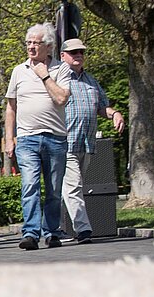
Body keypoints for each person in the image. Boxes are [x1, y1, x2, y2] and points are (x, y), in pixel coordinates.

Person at [4, 23, 72, 251]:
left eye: (36, 43)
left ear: (49, 46)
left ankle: (52, 232)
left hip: (55, 138)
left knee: (53, 189)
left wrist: (44, 76)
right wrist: (8, 138)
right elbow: (11, 107)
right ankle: (31, 233)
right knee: (30, 185)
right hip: (27, 139)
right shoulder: (18, 71)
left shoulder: (61, 70)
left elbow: (62, 98)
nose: (31, 47)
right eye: (28, 42)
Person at [59, 38, 125, 244]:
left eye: (81, 52)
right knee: (74, 186)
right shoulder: (58, 80)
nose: (78, 55)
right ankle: (83, 229)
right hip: (65, 142)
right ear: (63, 56)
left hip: (86, 144)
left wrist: (114, 113)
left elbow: (101, 107)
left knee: (67, 189)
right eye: (73, 52)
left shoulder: (91, 81)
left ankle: (52, 227)